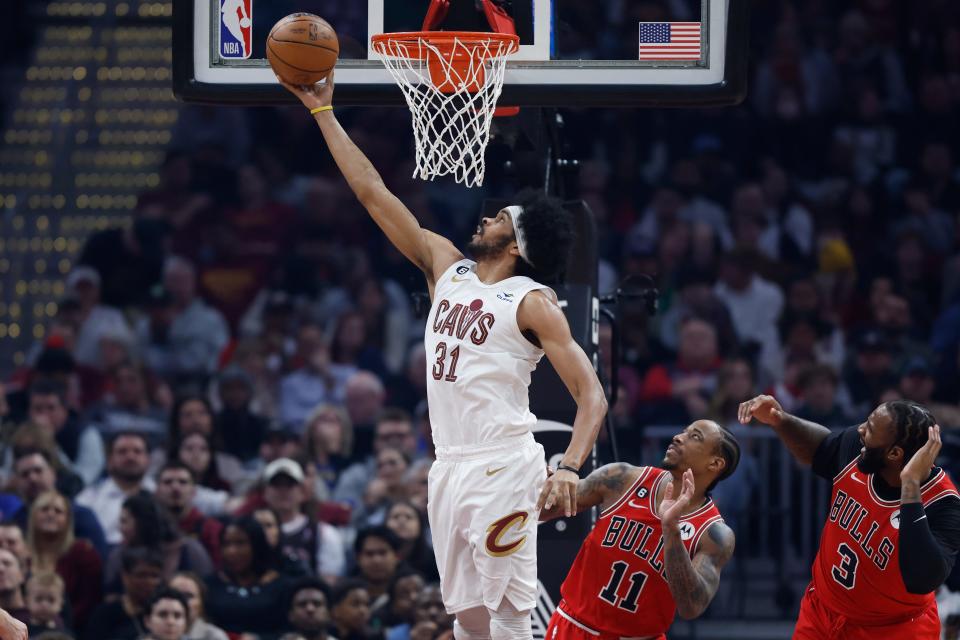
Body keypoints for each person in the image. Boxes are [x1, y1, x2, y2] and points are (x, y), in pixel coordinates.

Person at [281, 71, 608, 640]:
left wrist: (571, 466)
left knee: (509, 614)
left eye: (500, 218)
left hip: (503, 464)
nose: (485, 217)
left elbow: (592, 395)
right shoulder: (446, 269)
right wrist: (323, 113)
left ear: (516, 245)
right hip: (448, 465)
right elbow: (372, 193)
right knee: (468, 618)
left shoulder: (530, 302)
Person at [739, 396, 960, 639]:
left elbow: (922, 579)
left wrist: (910, 485)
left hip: (893, 629)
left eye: (870, 429)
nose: (861, 430)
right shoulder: (861, 448)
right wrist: (779, 420)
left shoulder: (944, 504)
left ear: (895, 454)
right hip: (822, 612)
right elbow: (823, 449)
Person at [541, 420, 739, 639]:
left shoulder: (714, 533)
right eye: (684, 431)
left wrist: (671, 528)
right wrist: (540, 487)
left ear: (715, 463)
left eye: (695, 437)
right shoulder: (624, 478)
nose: (678, 437)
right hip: (576, 627)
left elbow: (691, 607)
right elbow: (545, 510)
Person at [26, 490, 102, 631]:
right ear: (33, 516)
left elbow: (89, 600)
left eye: (58, 511)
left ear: (68, 519)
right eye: (44, 509)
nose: (51, 514)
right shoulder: (21, 554)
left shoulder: (83, 552)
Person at [168, 572, 229, 640]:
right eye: (175, 594)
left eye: (188, 596)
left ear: (201, 604)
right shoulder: (155, 633)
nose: (182, 600)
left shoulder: (214, 637)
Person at [24, 572, 66, 637]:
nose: (44, 605)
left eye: (51, 600)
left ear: (61, 604)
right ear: (27, 601)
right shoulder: (22, 630)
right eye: (39, 599)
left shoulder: (64, 634)